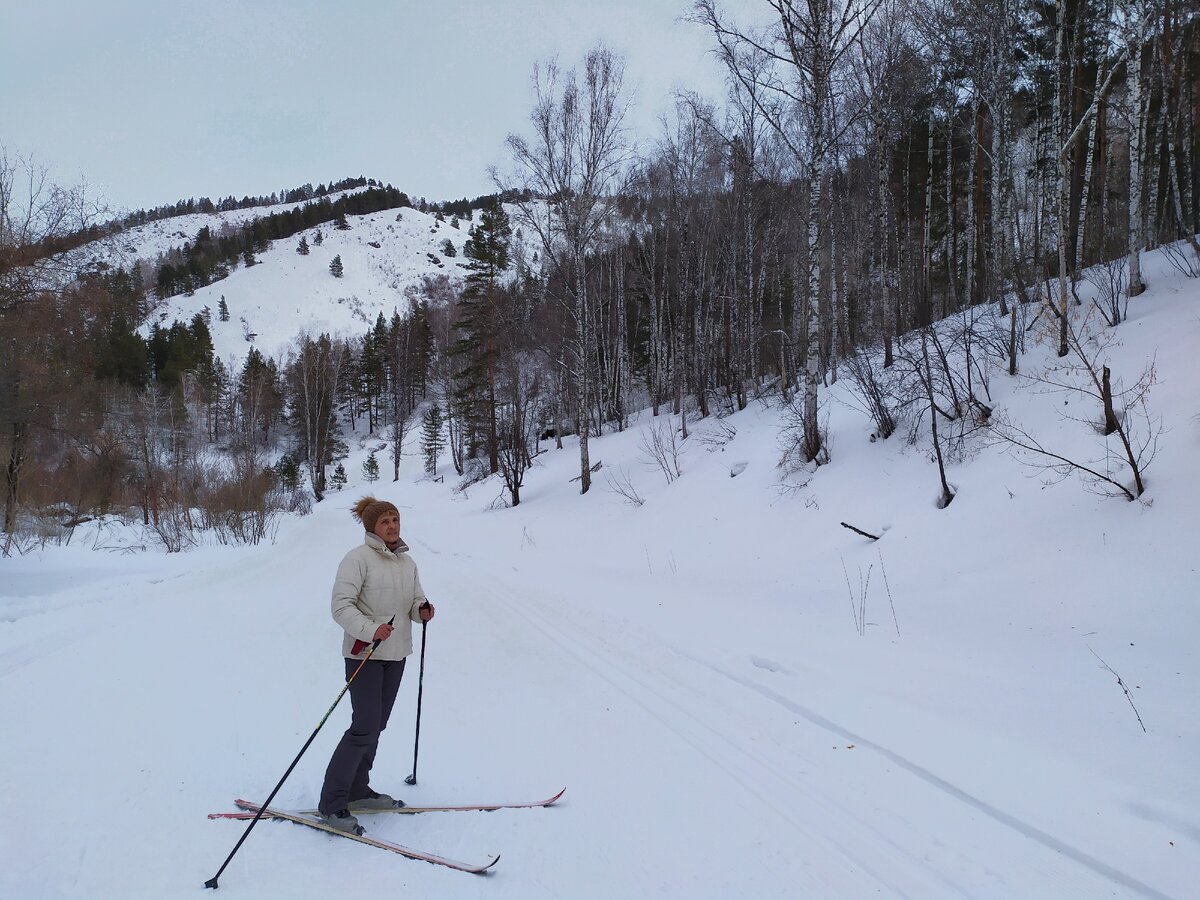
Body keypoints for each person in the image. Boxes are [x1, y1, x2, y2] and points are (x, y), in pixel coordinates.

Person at [318, 496, 435, 834]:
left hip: (395, 654)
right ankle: (332, 802)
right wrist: (372, 630)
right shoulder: (356, 559)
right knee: (363, 728)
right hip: (364, 654)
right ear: (372, 527)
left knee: (376, 726)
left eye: (395, 519)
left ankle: (357, 789)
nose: (392, 526)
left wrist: (421, 610)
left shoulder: (407, 563)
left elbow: (414, 601)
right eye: (385, 521)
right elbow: (341, 606)